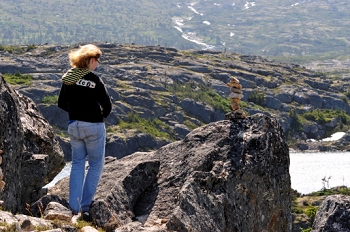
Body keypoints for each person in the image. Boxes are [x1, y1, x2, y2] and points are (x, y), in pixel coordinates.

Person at [57, 44, 112, 219]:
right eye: (96, 60)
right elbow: (107, 106)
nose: (97, 64)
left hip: (74, 125)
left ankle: (73, 207)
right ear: (90, 60)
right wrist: (96, 116)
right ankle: (86, 206)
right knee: (95, 164)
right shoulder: (94, 80)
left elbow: (61, 103)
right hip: (93, 126)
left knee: (78, 163)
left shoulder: (68, 78)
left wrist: (76, 113)